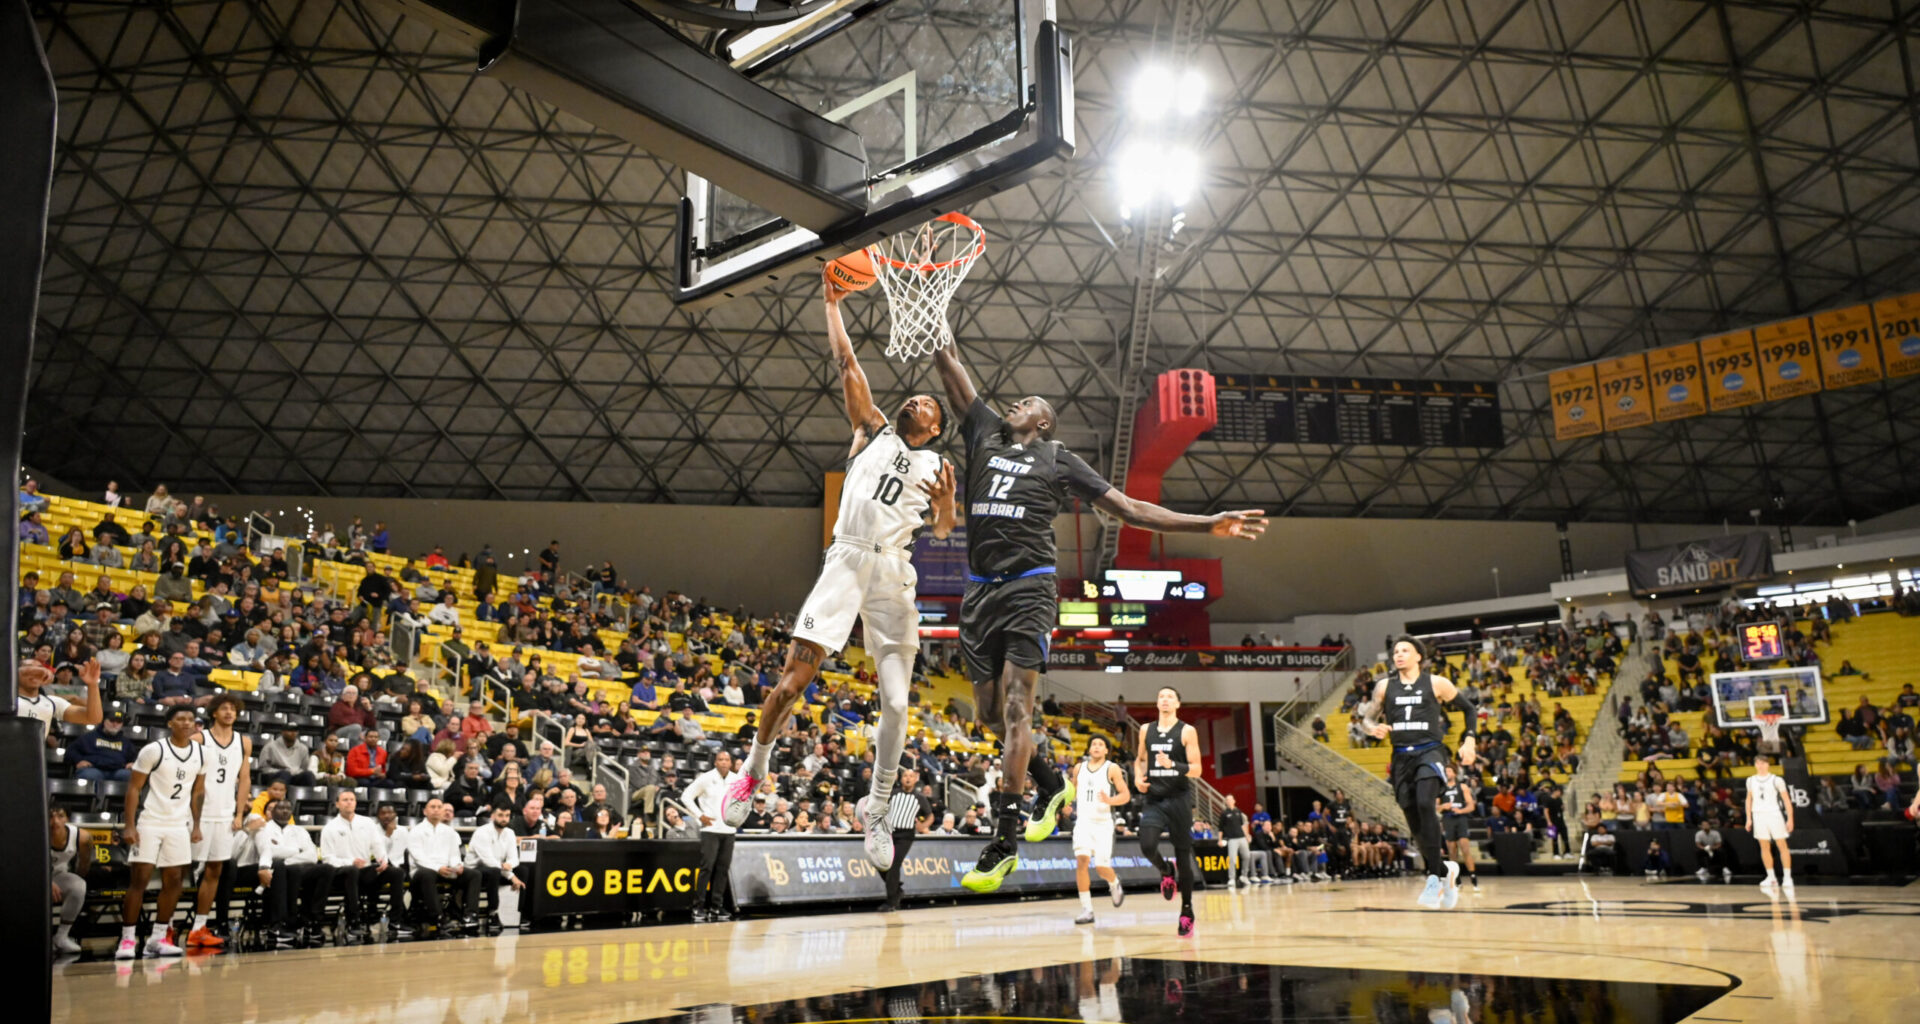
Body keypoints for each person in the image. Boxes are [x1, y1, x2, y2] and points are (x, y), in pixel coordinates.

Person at [931, 332, 1267, 894]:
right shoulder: (984, 434)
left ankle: (1004, 842)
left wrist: (1206, 522)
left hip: (1029, 588)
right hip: (980, 593)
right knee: (990, 717)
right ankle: (1047, 784)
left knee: (1017, 710)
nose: (1017, 402)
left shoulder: (1058, 458)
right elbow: (949, 367)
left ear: (1044, 423)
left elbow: (1132, 508)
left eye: (1030, 402)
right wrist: (930, 311)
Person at [724, 273, 958, 881]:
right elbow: (845, 359)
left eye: (927, 405)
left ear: (935, 428)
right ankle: (755, 765)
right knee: (790, 685)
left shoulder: (938, 466)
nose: (917, 401)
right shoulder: (872, 429)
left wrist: (951, 505)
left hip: (894, 573)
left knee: (900, 703)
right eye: (913, 398)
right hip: (847, 558)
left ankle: (877, 808)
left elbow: (940, 533)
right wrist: (831, 303)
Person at [1361, 636, 1479, 909]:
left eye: (1405, 651)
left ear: (1418, 656)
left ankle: (1433, 878)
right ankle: (1443, 871)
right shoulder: (1383, 687)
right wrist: (1371, 728)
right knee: (1414, 821)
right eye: (1395, 651)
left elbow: (1469, 709)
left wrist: (1469, 739)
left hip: (1431, 751)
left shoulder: (1437, 683)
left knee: (1427, 803)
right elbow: (1367, 718)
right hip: (1401, 758)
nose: (1398, 655)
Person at [116, 705, 207, 959]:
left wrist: (196, 824)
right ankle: (127, 939)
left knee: (175, 881)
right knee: (140, 880)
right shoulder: (154, 750)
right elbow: (134, 789)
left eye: (191, 719)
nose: (187, 723)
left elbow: (198, 792)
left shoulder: (201, 753)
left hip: (178, 824)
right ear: (170, 723)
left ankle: (157, 938)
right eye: (181, 719)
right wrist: (130, 824)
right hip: (151, 821)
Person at [1132, 686, 1203, 936]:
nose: (1164, 699)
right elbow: (1139, 759)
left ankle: (1186, 911)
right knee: (1147, 845)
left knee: (1184, 856)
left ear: (1178, 704)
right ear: (1156, 702)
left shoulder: (1186, 731)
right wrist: (1138, 778)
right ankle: (1165, 870)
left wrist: (1173, 764)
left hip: (1179, 799)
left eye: (1170, 696)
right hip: (1154, 798)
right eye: (1161, 696)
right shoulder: (1145, 730)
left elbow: (1197, 770)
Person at [186, 694, 251, 947]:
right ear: (214, 712)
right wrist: (194, 819)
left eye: (233, 709)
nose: (229, 712)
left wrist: (238, 814)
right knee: (180, 871)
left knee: (215, 870)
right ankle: (165, 928)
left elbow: (244, 779)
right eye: (224, 708)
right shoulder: (199, 739)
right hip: (197, 815)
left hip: (224, 815)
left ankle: (199, 927)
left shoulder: (244, 742)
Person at [320, 790, 403, 937]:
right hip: (341, 873)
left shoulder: (367, 822)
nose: (349, 802)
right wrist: (350, 862)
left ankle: (396, 920)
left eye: (352, 799)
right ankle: (354, 921)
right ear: (337, 804)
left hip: (365, 872)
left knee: (395, 872)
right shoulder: (329, 828)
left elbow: (377, 845)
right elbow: (327, 859)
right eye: (345, 800)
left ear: (356, 803)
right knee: (352, 871)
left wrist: (383, 860)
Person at [1068, 735, 1129, 923]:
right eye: (1093, 743)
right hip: (1083, 822)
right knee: (1082, 861)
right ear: (1088, 749)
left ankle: (1114, 882)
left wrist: (1111, 800)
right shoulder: (1079, 768)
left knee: (1101, 867)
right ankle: (1087, 909)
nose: (1096, 746)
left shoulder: (1112, 768)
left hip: (1103, 823)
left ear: (1106, 751)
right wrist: (1065, 804)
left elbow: (1125, 794)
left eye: (1100, 744)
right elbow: (1071, 790)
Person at [256, 798, 334, 948]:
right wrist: (296, 851)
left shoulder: (300, 831)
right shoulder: (263, 829)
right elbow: (269, 853)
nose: (285, 811)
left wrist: (287, 858)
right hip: (275, 871)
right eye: (280, 808)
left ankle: (312, 919)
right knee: (289, 869)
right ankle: (286, 921)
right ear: (272, 812)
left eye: (288, 808)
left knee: (327, 869)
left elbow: (311, 856)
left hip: (295, 868)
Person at [406, 798, 480, 936]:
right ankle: (438, 917)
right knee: (428, 874)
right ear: (425, 811)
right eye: (432, 807)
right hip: (422, 872)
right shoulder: (415, 831)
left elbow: (454, 854)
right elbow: (419, 858)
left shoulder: (449, 831)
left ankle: (470, 915)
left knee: (474, 874)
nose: (436, 809)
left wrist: (457, 866)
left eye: (439, 807)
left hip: (445, 870)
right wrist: (438, 868)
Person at [682, 749, 739, 921]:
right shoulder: (706, 778)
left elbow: (744, 800)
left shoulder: (736, 780)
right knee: (706, 869)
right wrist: (700, 816)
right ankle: (698, 907)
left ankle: (716, 906)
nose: (723, 762)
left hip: (729, 831)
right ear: (715, 762)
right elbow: (686, 796)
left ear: (730, 763)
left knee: (722, 870)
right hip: (711, 830)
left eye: (726, 759)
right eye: (720, 759)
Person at [876, 765, 929, 912]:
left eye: (911, 776)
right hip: (888, 833)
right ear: (901, 778)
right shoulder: (892, 793)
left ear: (916, 779)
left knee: (893, 865)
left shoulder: (920, 797)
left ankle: (891, 902)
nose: (908, 778)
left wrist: (922, 826)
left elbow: (930, 815)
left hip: (905, 836)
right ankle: (897, 888)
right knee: (879, 863)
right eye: (905, 776)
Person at [16, 656, 103, 743]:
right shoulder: (7, 700)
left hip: (34, 754)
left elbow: (93, 718)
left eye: (40, 668)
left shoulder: (52, 702)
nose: (36, 672)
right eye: (29, 667)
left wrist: (92, 684)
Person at [469, 804, 526, 929]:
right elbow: (488, 860)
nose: (504, 819)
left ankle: (520, 913)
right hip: (475, 870)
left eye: (507, 816)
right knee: (494, 871)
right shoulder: (482, 832)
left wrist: (510, 866)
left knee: (522, 871)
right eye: (500, 815)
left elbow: (514, 858)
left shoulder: (510, 833)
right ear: (492, 816)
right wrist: (511, 876)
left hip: (498, 869)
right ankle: (492, 912)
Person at [1745, 753, 1795, 892]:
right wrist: (1748, 818)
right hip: (1758, 815)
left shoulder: (1776, 780)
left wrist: (1790, 818)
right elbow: (1749, 800)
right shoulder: (1750, 780)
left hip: (1774, 814)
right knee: (1764, 846)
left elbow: (1786, 800)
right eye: (1758, 763)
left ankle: (1787, 877)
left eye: (1763, 763)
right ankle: (1771, 877)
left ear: (1768, 764)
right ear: (1755, 765)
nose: (1760, 766)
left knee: (1781, 844)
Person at [50, 805, 95, 954]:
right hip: (33, 876)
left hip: (58, 875)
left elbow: (83, 865)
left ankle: (61, 936)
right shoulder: (36, 831)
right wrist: (46, 882)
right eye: (51, 816)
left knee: (78, 886)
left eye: (60, 816)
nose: (55, 821)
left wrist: (74, 894)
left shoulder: (82, 837)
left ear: (67, 819)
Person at [1439, 762, 1478, 889]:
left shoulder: (1462, 787)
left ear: (1455, 773)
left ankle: (1473, 877)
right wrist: (1442, 807)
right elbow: (1435, 807)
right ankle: (1456, 879)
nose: (1447, 773)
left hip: (1460, 819)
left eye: (1449, 771)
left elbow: (1471, 806)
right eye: (1446, 771)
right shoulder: (1441, 788)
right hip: (1448, 819)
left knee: (1465, 848)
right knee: (1452, 851)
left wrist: (1460, 811)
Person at [1695, 819, 1733, 883]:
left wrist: (1712, 848)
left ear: (1710, 826)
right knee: (1697, 852)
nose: (1705, 826)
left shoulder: (1715, 833)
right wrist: (1704, 848)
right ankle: (1703, 868)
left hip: (1714, 848)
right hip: (1705, 849)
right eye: (1703, 825)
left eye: (1706, 825)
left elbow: (1719, 844)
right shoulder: (1699, 834)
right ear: (1701, 826)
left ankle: (1724, 868)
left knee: (1722, 851)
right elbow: (1698, 844)